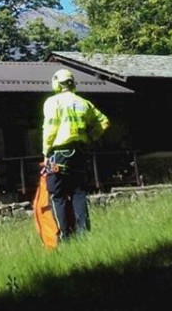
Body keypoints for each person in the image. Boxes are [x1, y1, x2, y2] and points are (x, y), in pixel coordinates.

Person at [42, 68, 110, 240]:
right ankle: (84, 235)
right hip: (80, 152)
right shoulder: (84, 103)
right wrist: (91, 137)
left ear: (57, 82)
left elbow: (50, 128)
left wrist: (45, 150)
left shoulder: (53, 102)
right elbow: (104, 121)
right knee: (79, 192)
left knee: (57, 196)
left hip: (59, 153)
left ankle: (65, 237)